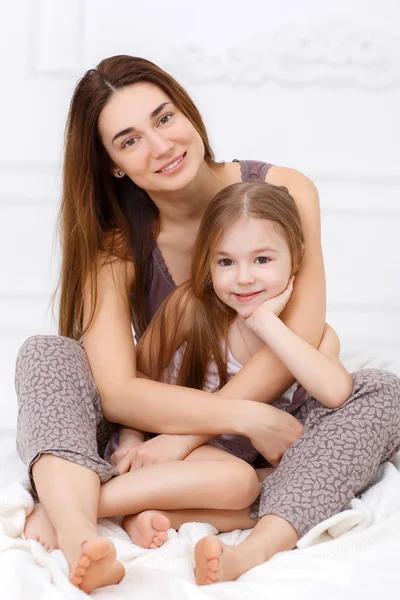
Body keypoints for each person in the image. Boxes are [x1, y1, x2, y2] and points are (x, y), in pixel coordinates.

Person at [14, 55, 400, 593]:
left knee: (380, 391)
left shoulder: (285, 192)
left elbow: (307, 333)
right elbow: (118, 389)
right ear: (113, 165)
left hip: (267, 423)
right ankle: (79, 533)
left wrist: (240, 423)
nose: (161, 145)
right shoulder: (119, 245)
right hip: (161, 423)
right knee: (47, 353)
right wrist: (216, 423)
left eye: (164, 118)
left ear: (188, 114)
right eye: (129, 141)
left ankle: (86, 500)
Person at [114, 181, 357, 562]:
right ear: (208, 262)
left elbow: (337, 391)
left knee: (279, 490)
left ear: (297, 256)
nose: (244, 278)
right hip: (177, 447)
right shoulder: (189, 308)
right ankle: (94, 502)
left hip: (242, 467)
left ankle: (150, 515)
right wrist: (130, 439)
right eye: (226, 262)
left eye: (262, 260)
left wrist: (265, 323)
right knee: (239, 483)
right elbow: (135, 380)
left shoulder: (311, 334)